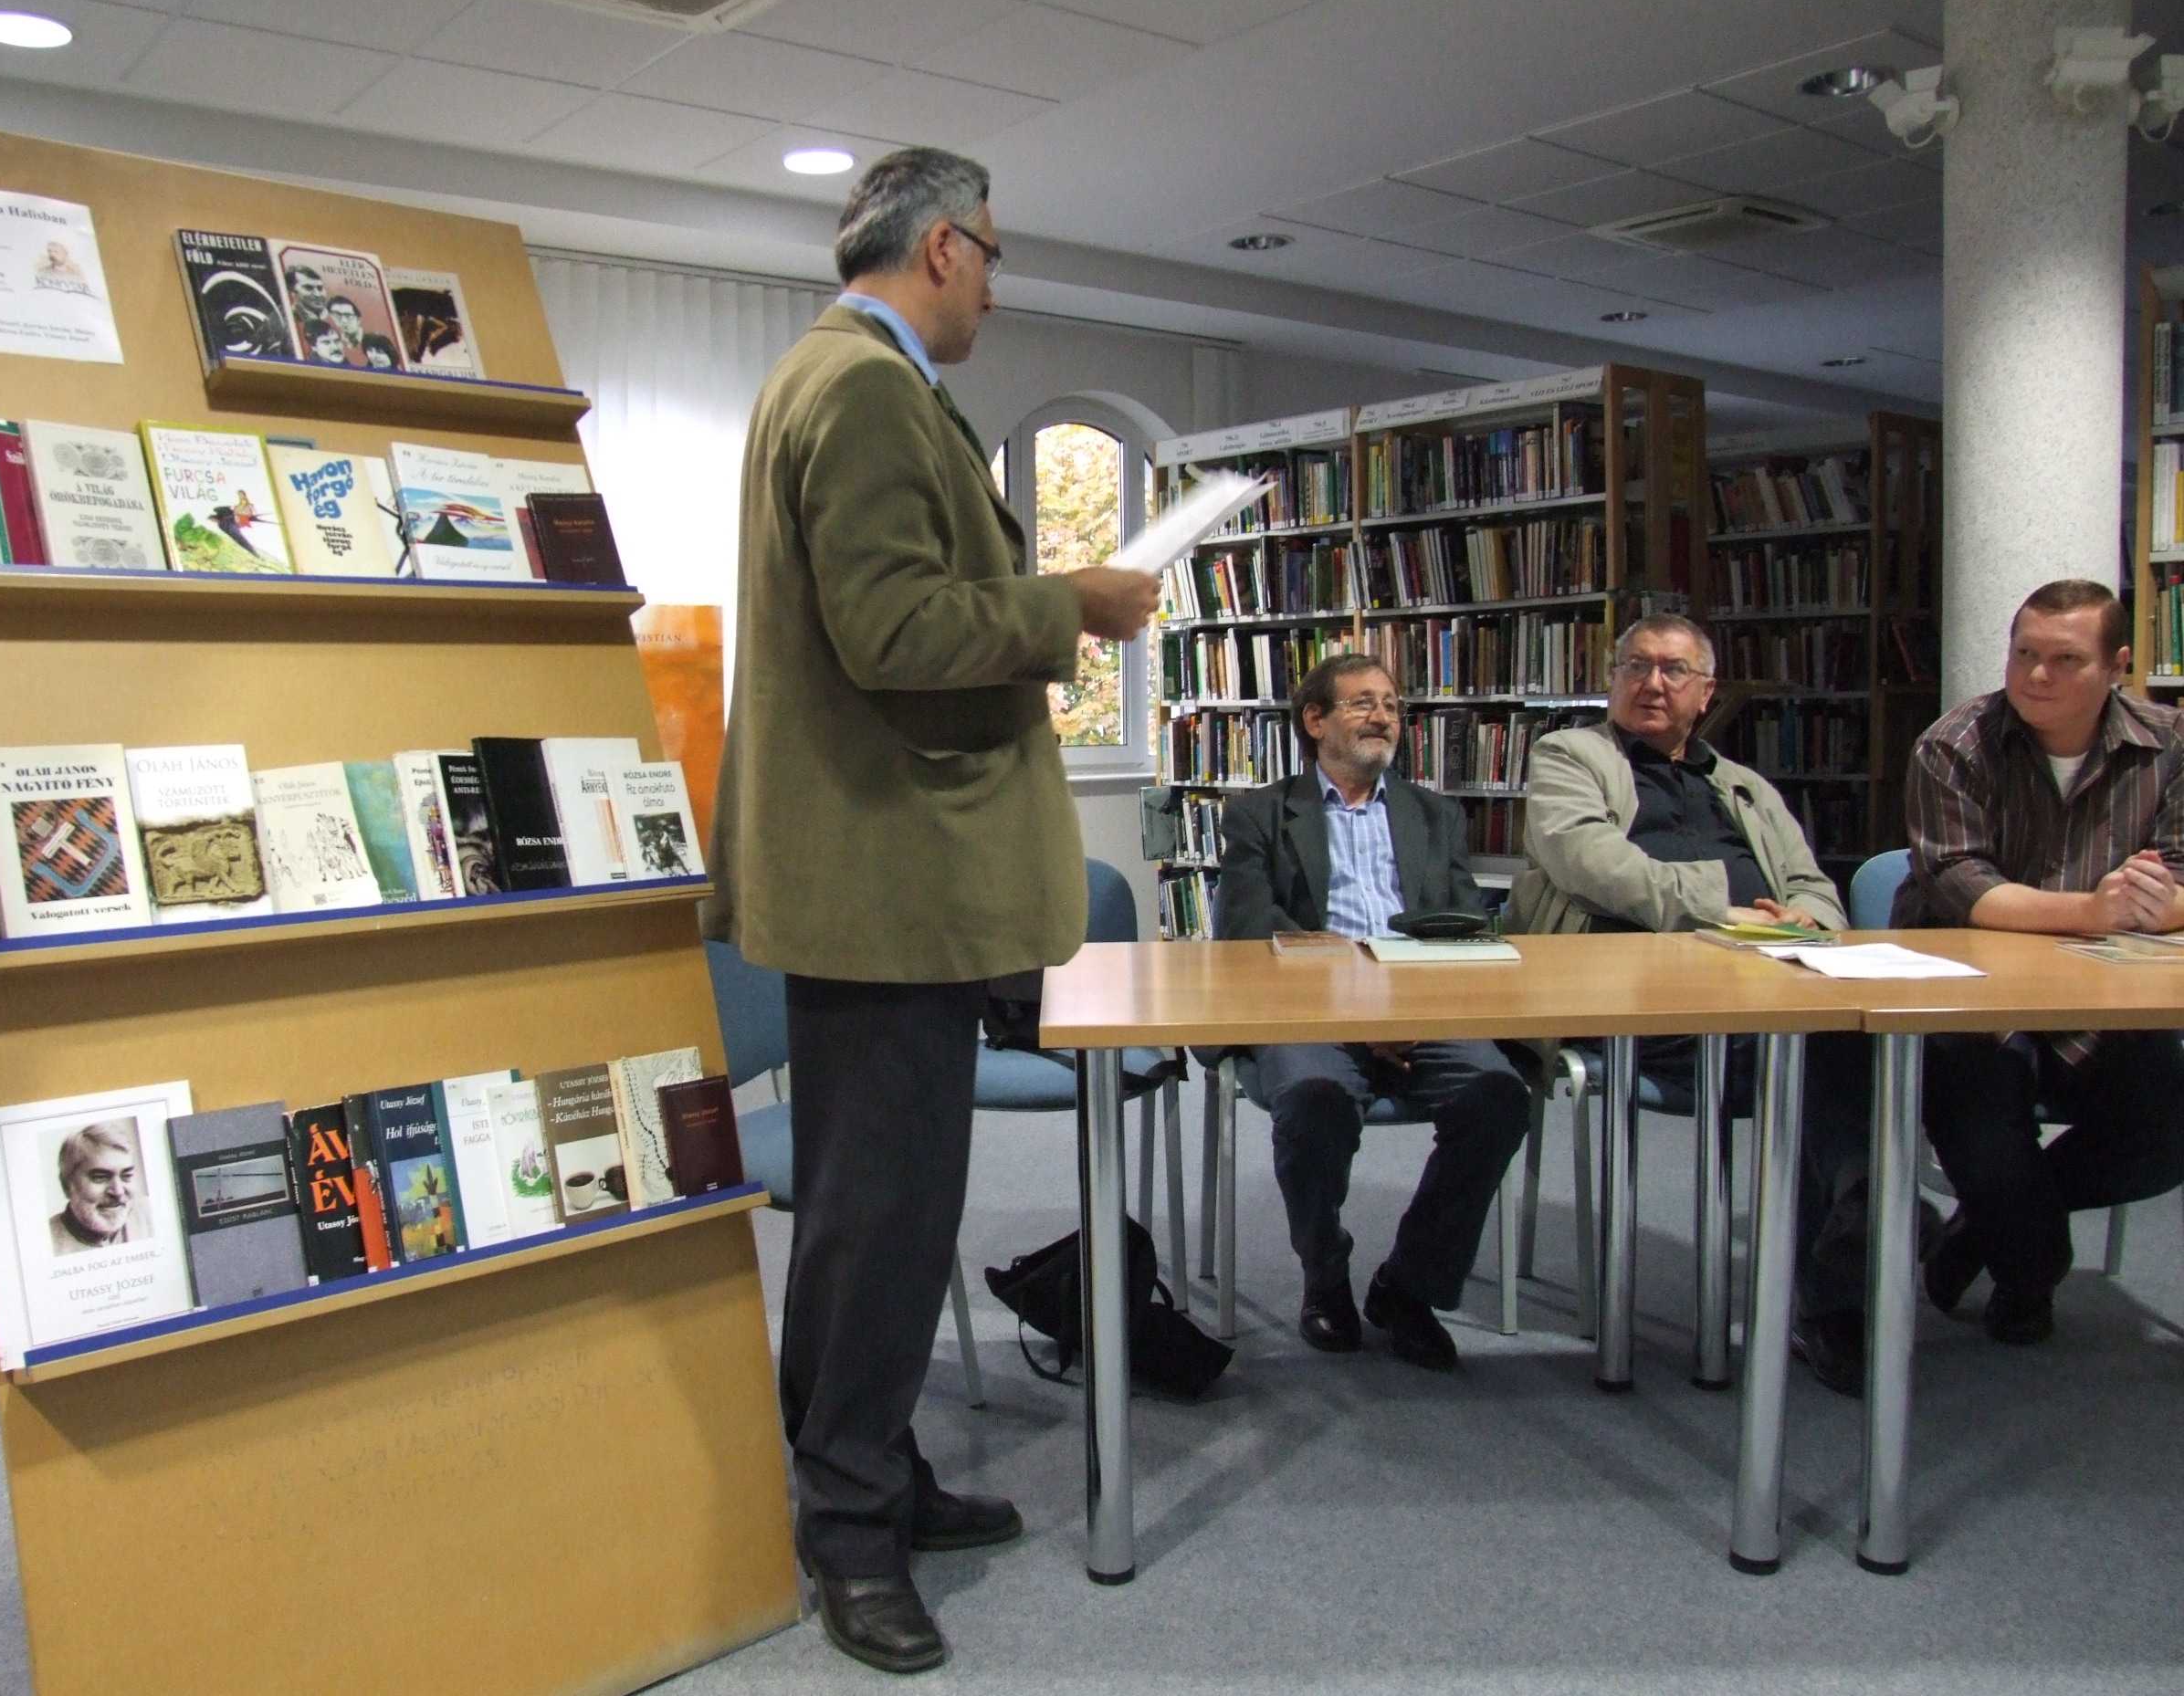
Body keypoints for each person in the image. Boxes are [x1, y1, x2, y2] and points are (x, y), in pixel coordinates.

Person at [703, 146, 1158, 1677]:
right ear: (947, 247)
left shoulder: (831, 375)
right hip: (886, 884)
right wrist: (1073, 606)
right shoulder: (866, 389)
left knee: (870, 1216)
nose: (997, 289)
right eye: (996, 255)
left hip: (877, 879)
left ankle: (870, 1470)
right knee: (882, 1221)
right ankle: (846, 1527)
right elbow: (893, 627)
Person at [1510, 612, 1881, 1395]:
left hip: (1754, 982)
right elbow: (1591, 866)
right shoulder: (1570, 756)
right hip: (1619, 991)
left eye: (1674, 670)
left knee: (1851, 1035)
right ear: (1612, 679)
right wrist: (1727, 906)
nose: (1652, 683)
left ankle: (1852, 1228)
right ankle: (1852, 1253)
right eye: (1635, 666)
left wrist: (1810, 919)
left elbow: (1810, 883)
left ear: (1706, 692)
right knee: (1807, 1057)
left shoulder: (1744, 786)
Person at [1213, 654, 1532, 1371]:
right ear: (1314, 719)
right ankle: (1325, 1274)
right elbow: (1246, 931)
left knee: (1499, 1096)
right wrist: (1359, 1008)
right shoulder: (1260, 814)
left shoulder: (1435, 815)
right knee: (1313, 1101)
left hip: (1419, 1009)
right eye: (1362, 703)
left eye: (1390, 704)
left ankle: (1408, 1287)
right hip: (1309, 1012)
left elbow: (1463, 927)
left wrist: (1411, 1007)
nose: (1382, 716)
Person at [1895, 579, 2184, 1345]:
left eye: (2065, 660)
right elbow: (1960, 882)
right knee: (1983, 1133)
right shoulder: (1955, 744)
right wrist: (2093, 910)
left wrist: (2161, 902)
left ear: (2117, 665)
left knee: (2165, 1133)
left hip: (2103, 994)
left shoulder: (2173, 744)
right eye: (2024, 654)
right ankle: (2028, 1269)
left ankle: (1986, 1231)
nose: (2036, 676)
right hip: (1970, 993)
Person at [47, 1119, 147, 1253]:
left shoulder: (151, 1215)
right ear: (66, 1185)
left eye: (126, 1176)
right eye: (100, 1177)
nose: (117, 1191)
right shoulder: (44, 1243)